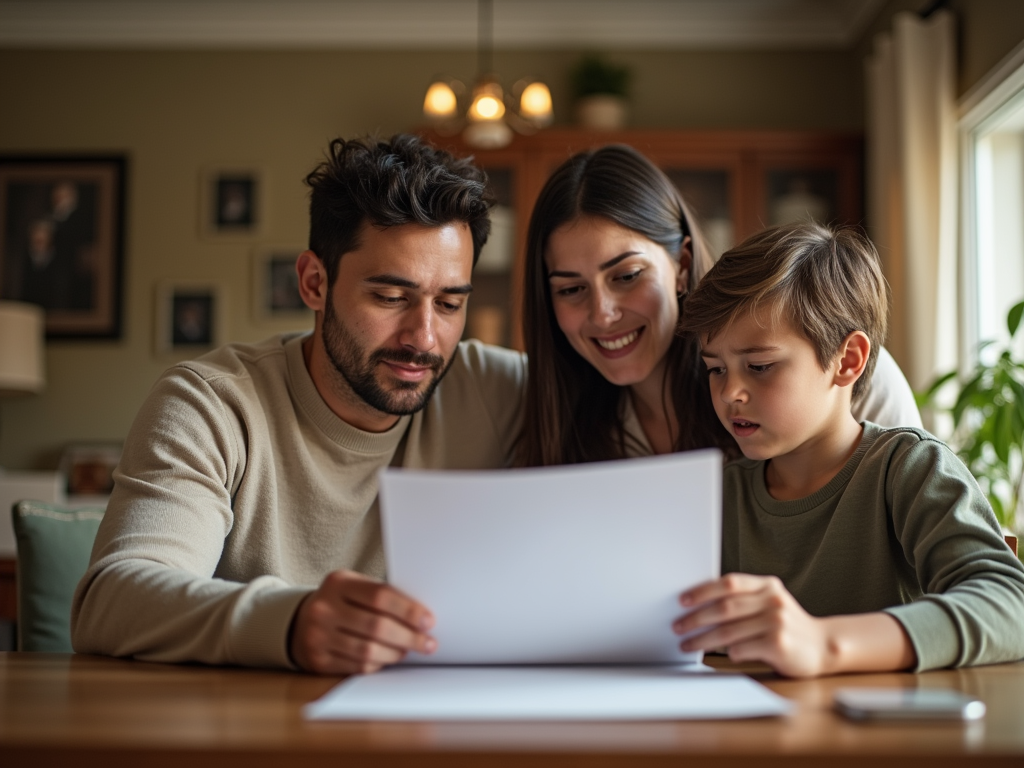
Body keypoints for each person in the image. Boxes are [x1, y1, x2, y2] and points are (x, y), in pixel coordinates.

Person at [72, 134, 527, 674]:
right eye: (389, 297)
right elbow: (112, 602)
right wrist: (289, 623)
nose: (425, 338)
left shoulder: (500, 391)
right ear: (315, 282)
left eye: (449, 304)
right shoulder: (212, 403)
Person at [674, 222, 1024, 676]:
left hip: (890, 739)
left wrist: (825, 644)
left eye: (759, 366)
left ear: (848, 360)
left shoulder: (908, 470)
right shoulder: (718, 497)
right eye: (716, 369)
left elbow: (1010, 602)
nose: (729, 393)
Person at [516, 144, 921, 467]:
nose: (602, 312)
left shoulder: (836, 372)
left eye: (627, 276)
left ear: (682, 264)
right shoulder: (555, 415)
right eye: (571, 289)